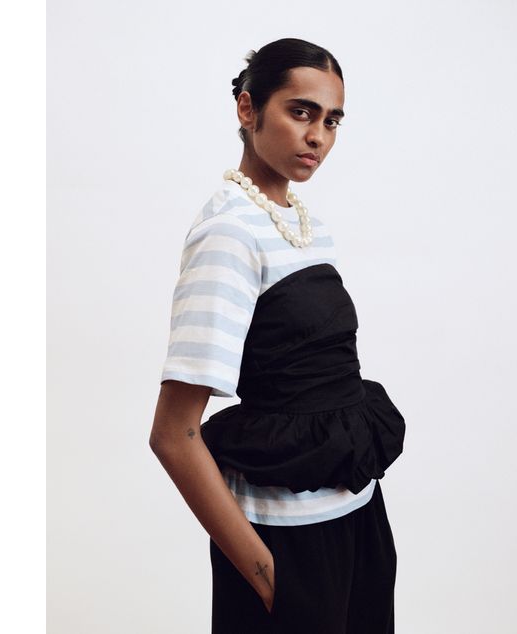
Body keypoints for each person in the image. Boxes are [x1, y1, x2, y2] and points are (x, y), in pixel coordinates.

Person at [149, 37, 406, 633]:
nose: (318, 136)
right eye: (300, 111)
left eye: (332, 120)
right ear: (248, 110)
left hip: (358, 515)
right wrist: (269, 578)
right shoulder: (228, 234)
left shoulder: (306, 227)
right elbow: (174, 434)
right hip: (287, 542)